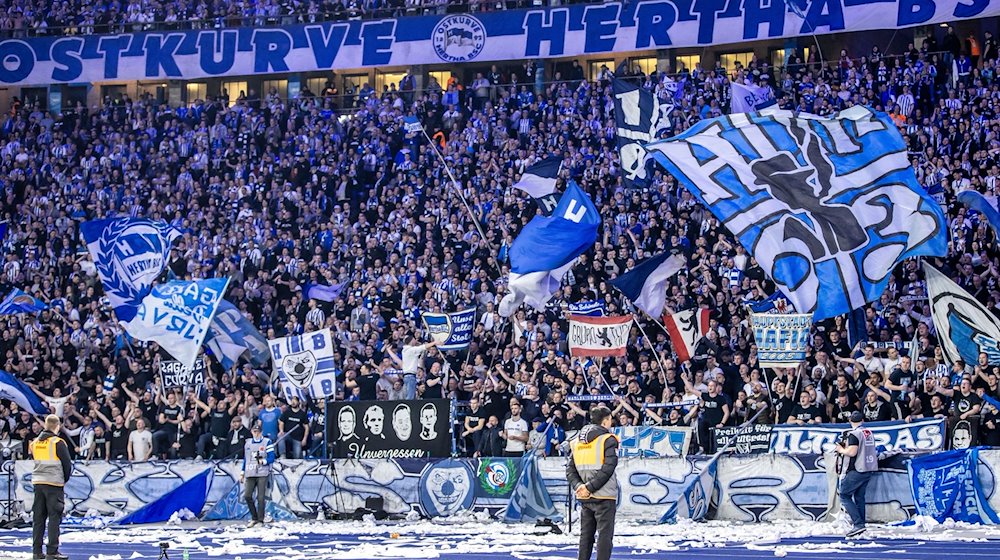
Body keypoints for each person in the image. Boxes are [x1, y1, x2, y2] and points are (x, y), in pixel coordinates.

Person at [567, 405, 619, 560]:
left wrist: (580, 487)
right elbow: (609, 468)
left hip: (585, 496)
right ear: (605, 421)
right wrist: (590, 487)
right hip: (604, 496)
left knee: (586, 537)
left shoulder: (576, 441)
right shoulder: (608, 439)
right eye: (610, 420)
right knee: (604, 537)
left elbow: (570, 470)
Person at [30, 414, 72, 560]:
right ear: (57, 426)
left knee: (38, 518)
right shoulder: (58, 442)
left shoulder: (35, 442)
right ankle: (52, 551)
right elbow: (67, 464)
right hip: (54, 483)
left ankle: (36, 551)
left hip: (38, 482)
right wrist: (64, 479)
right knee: (54, 517)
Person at [835, 410, 877, 537]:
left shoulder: (854, 434)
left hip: (857, 469)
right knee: (859, 497)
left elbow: (852, 452)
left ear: (850, 421)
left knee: (844, 495)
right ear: (863, 420)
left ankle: (858, 524)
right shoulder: (868, 432)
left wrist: (841, 449)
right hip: (869, 468)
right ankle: (861, 524)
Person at [241, 421, 275, 528]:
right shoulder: (248, 443)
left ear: (261, 432)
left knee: (261, 497)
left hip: (262, 472)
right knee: (247, 495)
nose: (256, 434)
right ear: (251, 432)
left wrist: (264, 461)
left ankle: (260, 519)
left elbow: (271, 457)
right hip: (250, 472)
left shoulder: (267, 442)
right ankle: (254, 517)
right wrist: (242, 472)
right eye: (254, 431)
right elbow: (245, 459)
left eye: (258, 432)